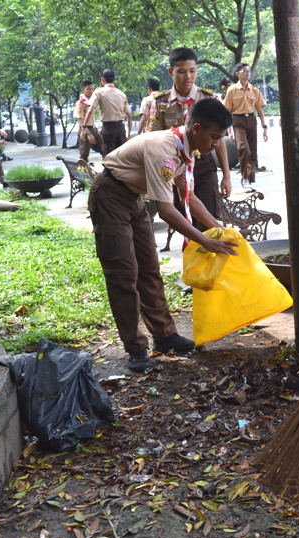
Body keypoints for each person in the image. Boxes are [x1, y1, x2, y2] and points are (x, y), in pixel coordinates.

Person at [88, 98, 238, 373]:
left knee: (149, 269)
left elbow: (188, 196)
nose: (217, 144)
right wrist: (204, 240)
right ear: (196, 129)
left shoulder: (185, 149)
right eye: (214, 137)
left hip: (133, 198)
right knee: (124, 273)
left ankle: (165, 336)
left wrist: (217, 226)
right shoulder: (165, 150)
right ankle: (135, 348)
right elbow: (168, 211)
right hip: (110, 194)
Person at [148, 47, 232, 226]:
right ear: (171, 71)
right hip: (175, 167)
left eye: (192, 71)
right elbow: (153, 138)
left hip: (203, 166)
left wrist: (226, 175)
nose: (188, 77)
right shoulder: (160, 102)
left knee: (208, 218)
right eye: (181, 72)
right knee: (185, 221)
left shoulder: (209, 98)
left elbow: (219, 140)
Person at [223, 63, 268, 193]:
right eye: (244, 71)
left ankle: (249, 179)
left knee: (252, 152)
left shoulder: (254, 90)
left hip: (251, 120)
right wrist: (229, 131)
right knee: (243, 149)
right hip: (237, 120)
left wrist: (264, 127)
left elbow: (259, 110)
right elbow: (227, 111)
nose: (247, 73)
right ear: (237, 73)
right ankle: (245, 178)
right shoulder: (232, 90)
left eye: (249, 71)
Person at [84, 69, 132, 157]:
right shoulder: (122, 94)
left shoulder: (99, 92)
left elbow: (90, 110)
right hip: (121, 128)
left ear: (103, 80)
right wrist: (128, 135)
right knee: (122, 156)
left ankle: (108, 171)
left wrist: (85, 128)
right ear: (114, 80)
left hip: (108, 129)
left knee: (109, 156)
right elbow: (129, 116)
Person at [74, 80, 103, 162]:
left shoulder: (91, 101)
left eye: (92, 89)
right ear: (83, 90)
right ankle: (82, 173)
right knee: (84, 155)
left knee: (104, 149)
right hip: (86, 130)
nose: (91, 91)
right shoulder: (80, 103)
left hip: (93, 129)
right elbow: (80, 119)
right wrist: (87, 133)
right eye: (88, 89)